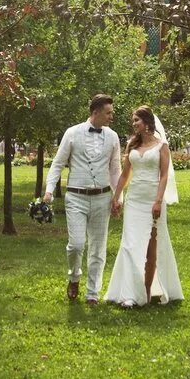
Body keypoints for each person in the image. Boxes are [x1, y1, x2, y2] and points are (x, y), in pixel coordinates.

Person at [41, 94, 122, 304]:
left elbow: (115, 169)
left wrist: (118, 197)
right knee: (76, 245)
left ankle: (92, 293)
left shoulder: (113, 137)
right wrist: (49, 190)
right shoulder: (72, 133)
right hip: (76, 197)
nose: (111, 116)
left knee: (98, 247)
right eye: (108, 113)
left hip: (102, 197)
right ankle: (74, 277)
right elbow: (58, 163)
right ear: (95, 113)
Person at [103, 106, 182, 307]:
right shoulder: (132, 144)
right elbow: (125, 174)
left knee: (151, 248)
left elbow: (164, 175)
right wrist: (117, 196)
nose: (133, 124)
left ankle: (146, 292)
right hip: (134, 200)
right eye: (133, 120)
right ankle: (129, 294)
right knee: (130, 244)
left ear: (147, 122)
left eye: (136, 120)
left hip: (153, 199)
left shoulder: (161, 146)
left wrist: (158, 201)